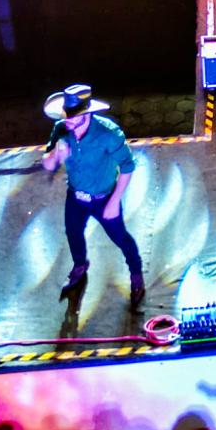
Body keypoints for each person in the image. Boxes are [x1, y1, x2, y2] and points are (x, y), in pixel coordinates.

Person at [39, 84, 145, 304]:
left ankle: (136, 274)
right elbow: (47, 165)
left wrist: (114, 202)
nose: (68, 122)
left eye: (73, 118)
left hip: (104, 198)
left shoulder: (108, 134)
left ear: (86, 114)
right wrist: (56, 154)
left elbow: (128, 167)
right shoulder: (61, 129)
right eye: (66, 116)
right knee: (73, 233)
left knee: (121, 238)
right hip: (75, 196)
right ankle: (80, 265)